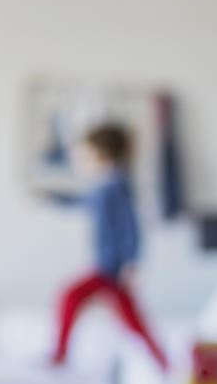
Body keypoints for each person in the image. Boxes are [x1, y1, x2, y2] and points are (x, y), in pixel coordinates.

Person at [48, 123, 167, 370]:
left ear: (100, 152)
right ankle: (162, 364)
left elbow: (130, 226)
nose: (81, 160)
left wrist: (132, 261)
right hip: (107, 265)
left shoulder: (117, 185)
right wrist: (49, 197)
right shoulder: (105, 184)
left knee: (70, 296)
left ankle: (59, 356)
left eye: (85, 154)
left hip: (111, 267)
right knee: (132, 320)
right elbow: (80, 201)